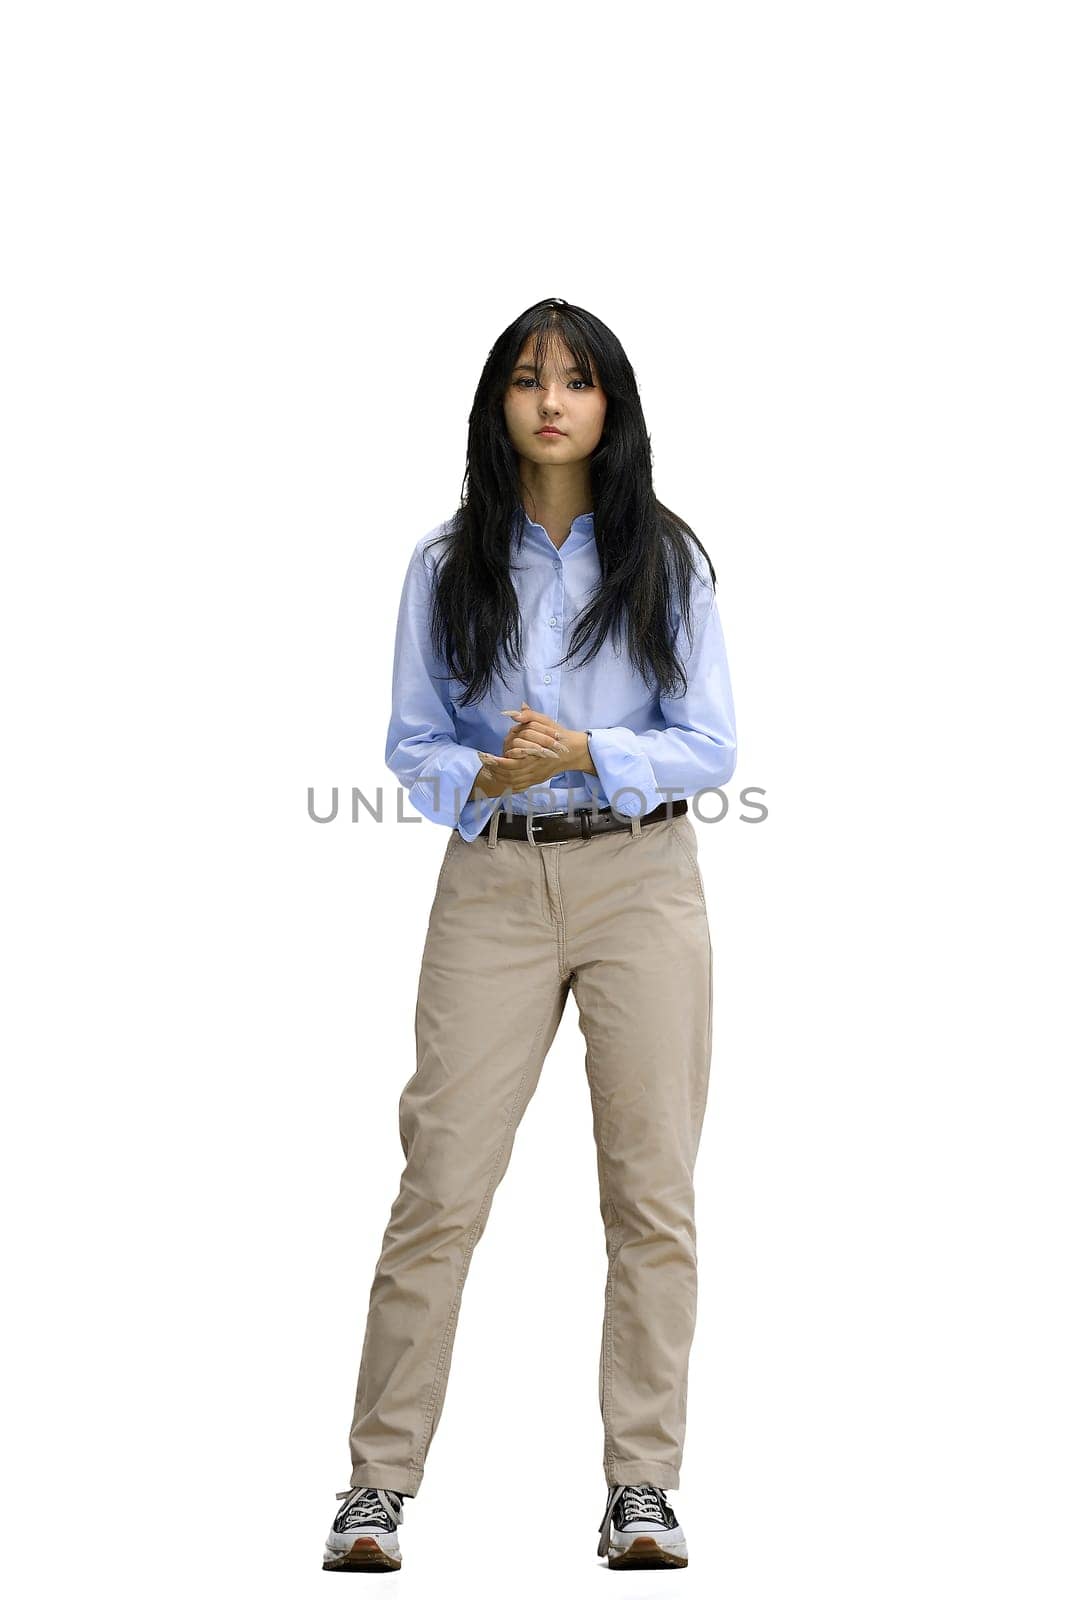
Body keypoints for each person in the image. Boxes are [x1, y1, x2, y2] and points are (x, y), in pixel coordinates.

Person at [322, 297, 737, 1573]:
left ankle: (642, 1488)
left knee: (649, 1194)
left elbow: (711, 744)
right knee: (438, 1187)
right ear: (495, 404)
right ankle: (375, 1486)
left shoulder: (663, 560)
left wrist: (591, 752)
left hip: (640, 883)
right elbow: (411, 742)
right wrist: (483, 780)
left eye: (574, 380)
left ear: (611, 404)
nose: (549, 401)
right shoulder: (445, 564)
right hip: (491, 887)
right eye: (524, 379)